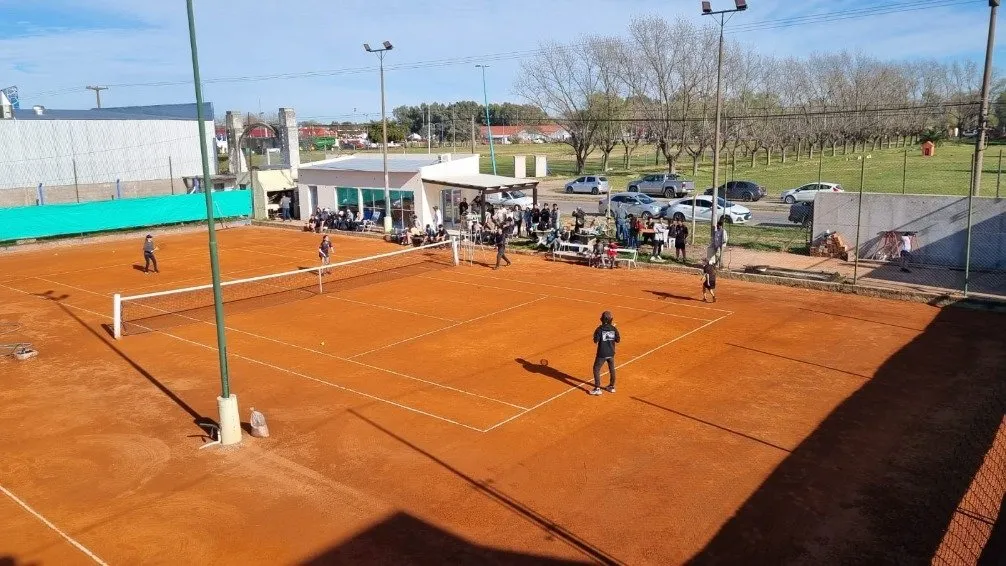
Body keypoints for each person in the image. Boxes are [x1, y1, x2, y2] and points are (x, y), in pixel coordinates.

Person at [590, 311, 620, 396]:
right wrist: (612, 329)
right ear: (611, 319)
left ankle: (597, 388)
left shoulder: (599, 329)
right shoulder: (613, 329)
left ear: (602, 319)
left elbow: (596, 341)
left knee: (596, 369)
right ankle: (611, 387)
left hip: (602, 354)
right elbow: (618, 340)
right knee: (612, 369)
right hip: (611, 353)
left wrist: (597, 332)